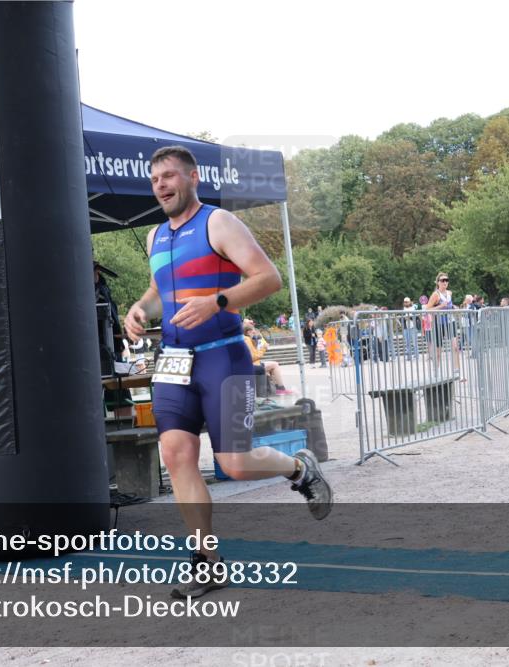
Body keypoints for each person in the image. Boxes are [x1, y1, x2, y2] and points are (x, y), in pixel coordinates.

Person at [123, 146, 332, 599]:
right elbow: (160, 290)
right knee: (176, 454)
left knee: (234, 464)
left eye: (169, 176)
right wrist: (139, 308)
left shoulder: (218, 223)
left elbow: (269, 278)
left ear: (192, 177)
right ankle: (207, 563)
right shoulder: (156, 235)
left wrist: (217, 302)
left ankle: (300, 469)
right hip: (174, 361)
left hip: (223, 357)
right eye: (155, 179)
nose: (160, 185)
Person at [425, 272, 463, 379]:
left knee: (455, 347)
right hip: (439, 323)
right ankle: (436, 372)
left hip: (450, 321)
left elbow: (449, 305)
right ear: (438, 282)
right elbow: (427, 309)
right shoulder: (435, 295)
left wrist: (454, 307)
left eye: (446, 280)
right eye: (442, 280)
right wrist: (441, 306)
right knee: (438, 350)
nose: (445, 282)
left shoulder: (449, 293)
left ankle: (457, 371)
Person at [245, 322, 291, 394]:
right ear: (248, 332)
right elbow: (253, 357)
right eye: (253, 330)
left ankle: (275, 389)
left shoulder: (248, 339)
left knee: (272, 367)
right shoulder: (247, 340)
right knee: (275, 365)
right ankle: (280, 389)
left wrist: (256, 341)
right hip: (253, 364)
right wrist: (264, 348)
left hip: (253, 363)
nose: (255, 331)